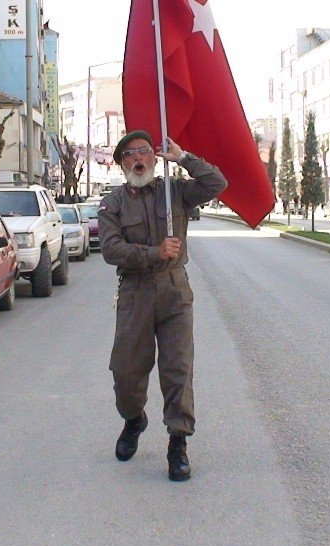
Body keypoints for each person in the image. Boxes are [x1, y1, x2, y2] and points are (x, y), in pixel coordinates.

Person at [98, 130, 227, 482]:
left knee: (177, 369)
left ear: (154, 158)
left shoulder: (176, 192)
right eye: (128, 154)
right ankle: (133, 419)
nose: (137, 158)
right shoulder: (113, 203)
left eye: (143, 151)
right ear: (122, 163)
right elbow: (111, 250)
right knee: (126, 370)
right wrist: (154, 252)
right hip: (135, 293)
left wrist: (182, 157)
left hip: (174, 291)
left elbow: (217, 183)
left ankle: (178, 442)